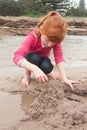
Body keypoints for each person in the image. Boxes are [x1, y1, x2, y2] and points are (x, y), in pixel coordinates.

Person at [13, 11, 79, 91]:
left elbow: (59, 58)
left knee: (47, 67)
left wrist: (64, 78)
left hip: (43, 58)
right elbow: (17, 56)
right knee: (34, 57)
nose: (50, 45)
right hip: (30, 58)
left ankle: (48, 73)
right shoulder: (32, 37)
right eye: (47, 40)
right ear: (41, 29)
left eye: (53, 42)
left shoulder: (55, 39)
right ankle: (27, 75)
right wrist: (35, 69)